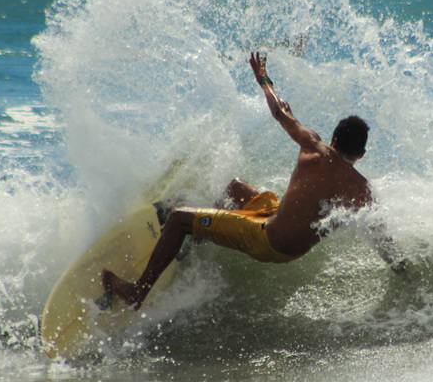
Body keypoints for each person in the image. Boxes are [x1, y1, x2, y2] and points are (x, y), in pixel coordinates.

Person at [102, 50, 403, 310]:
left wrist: (263, 78)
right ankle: (201, 234)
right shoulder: (361, 189)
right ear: (361, 154)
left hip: (266, 239)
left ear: (334, 137)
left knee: (180, 217)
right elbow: (382, 238)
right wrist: (405, 271)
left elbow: (280, 111)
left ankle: (137, 292)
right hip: (290, 248)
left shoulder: (314, 147)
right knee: (235, 186)